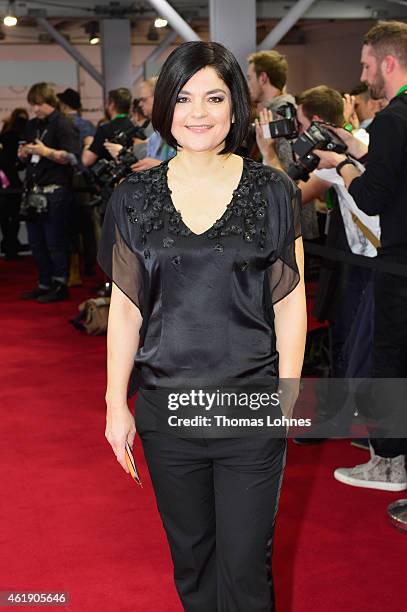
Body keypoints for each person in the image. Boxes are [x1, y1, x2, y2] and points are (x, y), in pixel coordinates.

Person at [98, 41, 307, 611]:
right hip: (167, 410)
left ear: (236, 107)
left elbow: (289, 299)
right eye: (185, 97)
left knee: (244, 569)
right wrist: (117, 403)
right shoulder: (135, 197)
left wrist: (288, 392)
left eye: (214, 97)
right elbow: (125, 307)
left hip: (250, 406)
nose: (199, 112)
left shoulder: (272, 191)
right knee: (192, 563)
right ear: (166, 107)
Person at [316, 20, 407, 491]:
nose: (364, 72)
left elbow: (371, 197)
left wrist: (344, 165)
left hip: (397, 261)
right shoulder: (397, 121)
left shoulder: (393, 118)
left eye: (367, 63)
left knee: (390, 359)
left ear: (388, 63)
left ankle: (389, 462)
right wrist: (355, 146)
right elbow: (395, 170)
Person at [18, 82, 80, 303]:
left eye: (38, 104)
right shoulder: (33, 124)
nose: (35, 109)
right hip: (34, 192)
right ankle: (44, 283)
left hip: (56, 192)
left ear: (50, 102)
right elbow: (24, 152)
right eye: (32, 105)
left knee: (55, 241)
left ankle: (59, 283)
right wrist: (23, 153)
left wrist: (46, 152)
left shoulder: (63, 124)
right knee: (36, 243)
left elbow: (74, 157)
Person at [57, 87, 97, 277]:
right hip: (84, 180)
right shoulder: (87, 125)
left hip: (65, 179)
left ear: (63, 105)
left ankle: (72, 270)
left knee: (68, 228)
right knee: (87, 227)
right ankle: (89, 266)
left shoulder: (59, 124)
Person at [0, 107, 28, 259]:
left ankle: (9, 243)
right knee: (12, 216)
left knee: (6, 217)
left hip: (7, 181)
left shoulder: (5, 136)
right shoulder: (17, 137)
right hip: (9, 181)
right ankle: (10, 244)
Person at [82, 88, 133, 167]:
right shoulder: (134, 127)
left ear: (112, 105)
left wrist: (88, 145)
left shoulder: (105, 129)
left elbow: (86, 160)